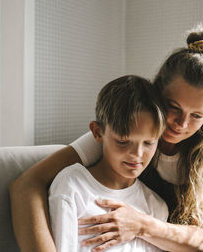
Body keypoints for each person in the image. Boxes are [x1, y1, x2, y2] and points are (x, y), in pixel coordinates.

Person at [9, 24, 203, 252]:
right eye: (173, 107)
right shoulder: (122, 135)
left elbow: (200, 239)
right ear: (157, 95)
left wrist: (140, 224)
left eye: (197, 115)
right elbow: (25, 186)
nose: (181, 124)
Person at [48, 75, 168, 252]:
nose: (137, 154)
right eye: (123, 141)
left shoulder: (156, 206)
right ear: (97, 132)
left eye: (148, 143)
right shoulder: (72, 187)